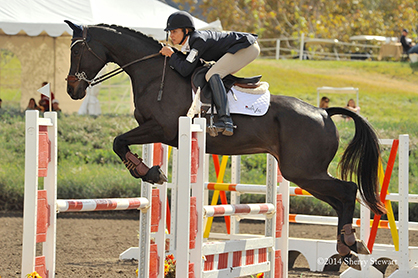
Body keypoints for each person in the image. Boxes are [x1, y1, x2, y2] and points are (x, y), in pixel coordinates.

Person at [159, 11, 260, 137]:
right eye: (170, 32)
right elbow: (189, 65)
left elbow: (185, 70)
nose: (171, 36)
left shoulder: (198, 41)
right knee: (213, 73)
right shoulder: (193, 43)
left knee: (212, 74)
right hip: (242, 47)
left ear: (186, 31)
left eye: (174, 31)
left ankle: (225, 120)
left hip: (247, 47)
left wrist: (172, 55)